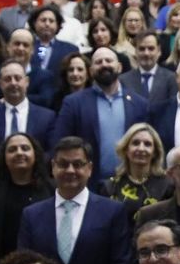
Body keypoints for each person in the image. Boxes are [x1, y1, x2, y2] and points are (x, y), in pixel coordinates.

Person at [17, 137, 134, 264]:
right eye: (63, 164)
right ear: (53, 167)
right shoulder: (31, 214)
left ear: (89, 168)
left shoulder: (112, 212)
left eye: (78, 164)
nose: (70, 170)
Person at [54, 46, 151, 179]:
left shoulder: (139, 104)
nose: (104, 64)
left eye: (108, 60)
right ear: (91, 71)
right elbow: (60, 142)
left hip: (129, 182)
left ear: (119, 67)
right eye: (98, 62)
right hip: (88, 182)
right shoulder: (73, 103)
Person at [0, 60, 60, 181]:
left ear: (26, 82)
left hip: (35, 182)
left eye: (17, 78)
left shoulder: (47, 116)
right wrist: (0, 174)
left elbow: (52, 150)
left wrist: (29, 171)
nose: (13, 83)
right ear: (0, 84)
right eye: (8, 79)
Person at [0, 133, 52, 263]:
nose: (19, 153)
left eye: (25, 148)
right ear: (4, 157)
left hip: (41, 263)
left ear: (35, 154)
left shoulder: (51, 188)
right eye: (12, 150)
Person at [105, 122, 172, 217]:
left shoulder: (168, 186)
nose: (141, 148)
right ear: (126, 149)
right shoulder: (110, 187)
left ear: (155, 152)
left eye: (147, 144)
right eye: (135, 143)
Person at [120, 29, 176, 106]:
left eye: (151, 48)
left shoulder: (171, 79)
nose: (146, 53)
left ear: (159, 51)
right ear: (135, 51)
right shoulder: (123, 80)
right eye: (142, 49)